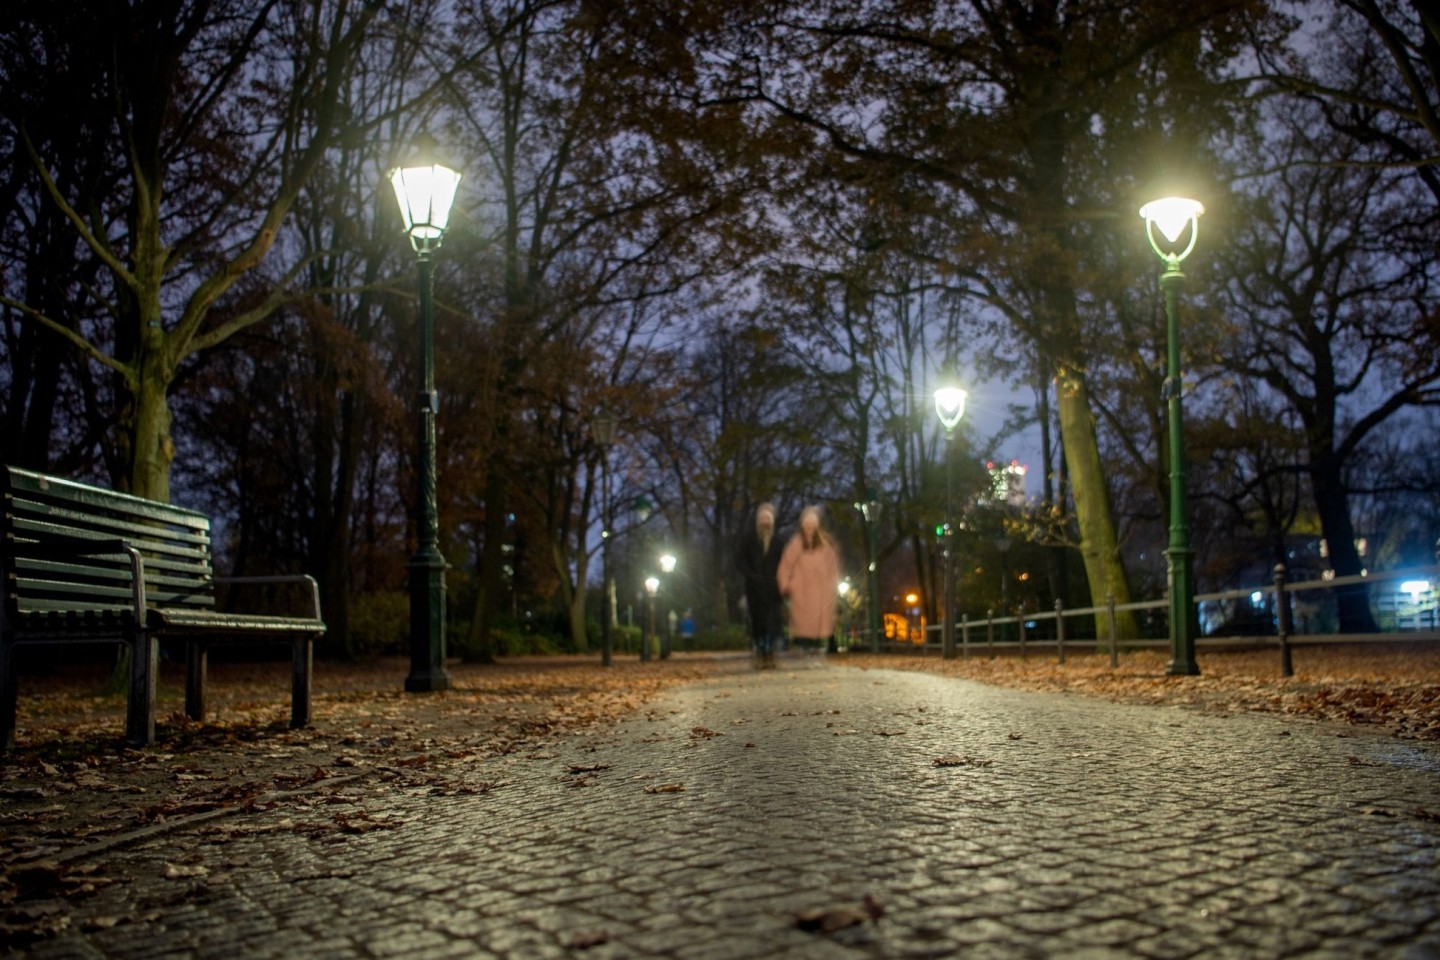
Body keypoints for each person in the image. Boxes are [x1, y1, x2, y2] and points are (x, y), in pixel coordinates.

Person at [777, 505, 841, 655]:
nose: (810, 526)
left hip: (821, 589)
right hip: (802, 589)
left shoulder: (826, 545)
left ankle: (820, 643)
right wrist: (786, 584)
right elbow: (786, 565)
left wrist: (832, 584)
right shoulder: (795, 543)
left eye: (812, 522)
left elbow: (833, 567)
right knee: (803, 620)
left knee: (821, 618)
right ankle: (804, 644)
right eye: (807, 522)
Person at [736, 502, 784, 668]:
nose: (765, 521)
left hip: (773, 590)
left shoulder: (778, 542)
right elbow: (740, 561)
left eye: (768, 518)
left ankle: (769, 652)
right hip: (754, 590)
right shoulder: (748, 540)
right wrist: (752, 576)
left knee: (772, 623)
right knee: (757, 623)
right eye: (762, 518)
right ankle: (760, 652)